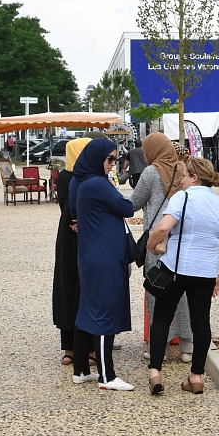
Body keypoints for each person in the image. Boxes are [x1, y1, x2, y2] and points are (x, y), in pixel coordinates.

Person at [145, 157, 219, 395]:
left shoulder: (182, 198)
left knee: (162, 318)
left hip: (175, 269)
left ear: (195, 177)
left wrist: (151, 245)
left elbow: (164, 227)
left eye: (184, 175)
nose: (181, 180)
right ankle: (196, 377)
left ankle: (155, 372)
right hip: (205, 272)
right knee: (201, 322)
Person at [70, 137, 137, 391]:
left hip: (94, 254)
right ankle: (106, 375)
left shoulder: (83, 182)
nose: (113, 164)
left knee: (89, 310)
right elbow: (127, 207)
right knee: (102, 313)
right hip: (103, 257)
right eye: (109, 159)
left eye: (115, 159)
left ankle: (81, 370)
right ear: (97, 158)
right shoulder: (98, 184)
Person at [131, 132, 192, 364]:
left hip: (158, 241)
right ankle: (188, 347)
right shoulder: (182, 168)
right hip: (181, 237)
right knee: (183, 292)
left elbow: (134, 204)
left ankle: (161, 348)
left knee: (157, 290)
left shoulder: (150, 172)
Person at [53, 137, 91, 367]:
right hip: (82, 235)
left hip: (67, 237)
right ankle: (90, 349)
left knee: (67, 287)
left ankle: (70, 348)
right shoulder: (86, 177)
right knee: (84, 287)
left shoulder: (65, 176)